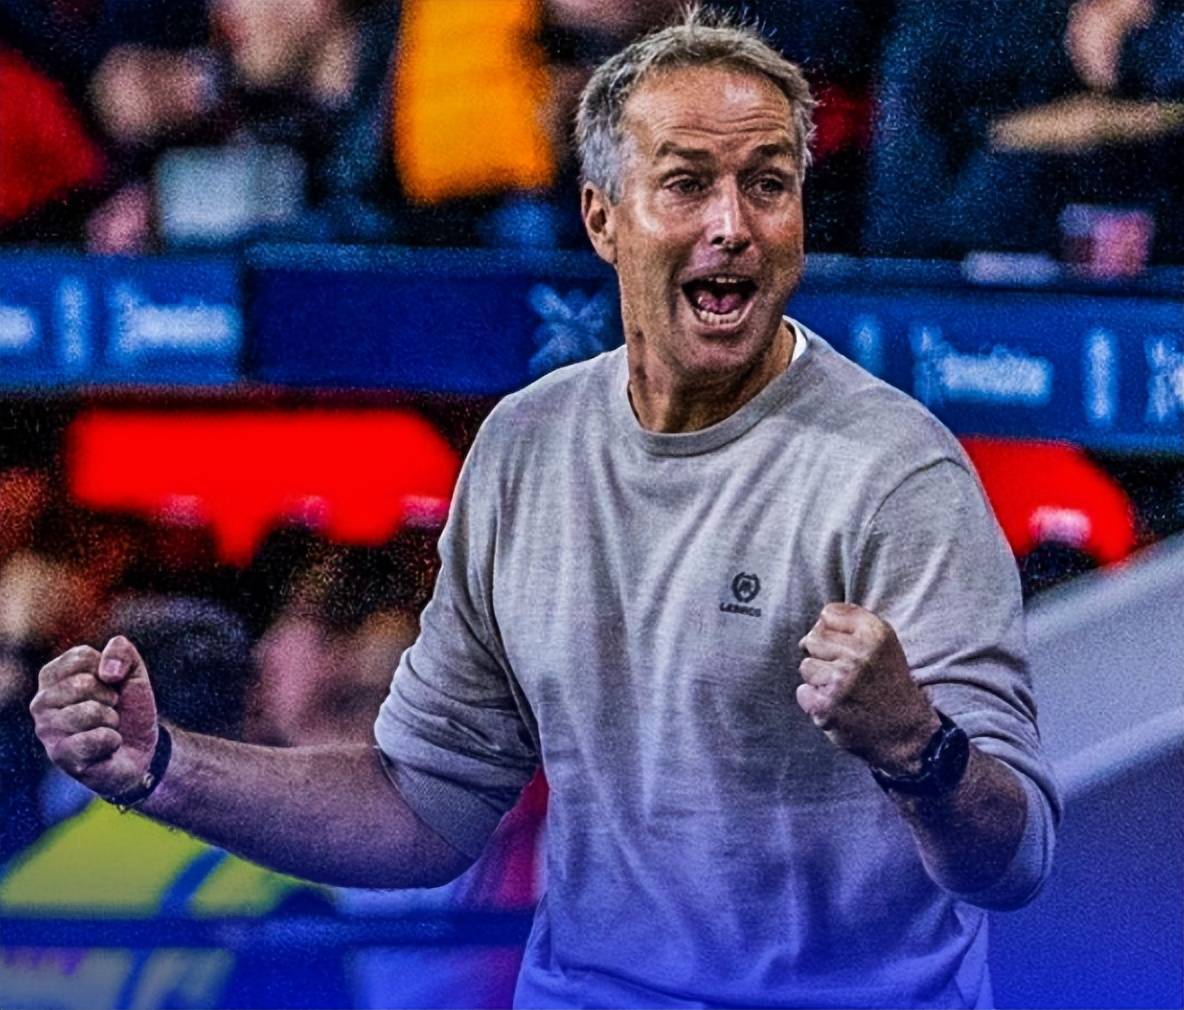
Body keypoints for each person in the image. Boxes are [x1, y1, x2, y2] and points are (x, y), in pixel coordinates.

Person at [30, 7, 1060, 1007]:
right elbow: (420, 808)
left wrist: (916, 746)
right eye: (686, 183)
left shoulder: (895, 474)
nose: (732, 226)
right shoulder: (526, 447)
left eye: (767, 185)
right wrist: (163, 766)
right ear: (601, 217)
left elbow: (1012, 860)